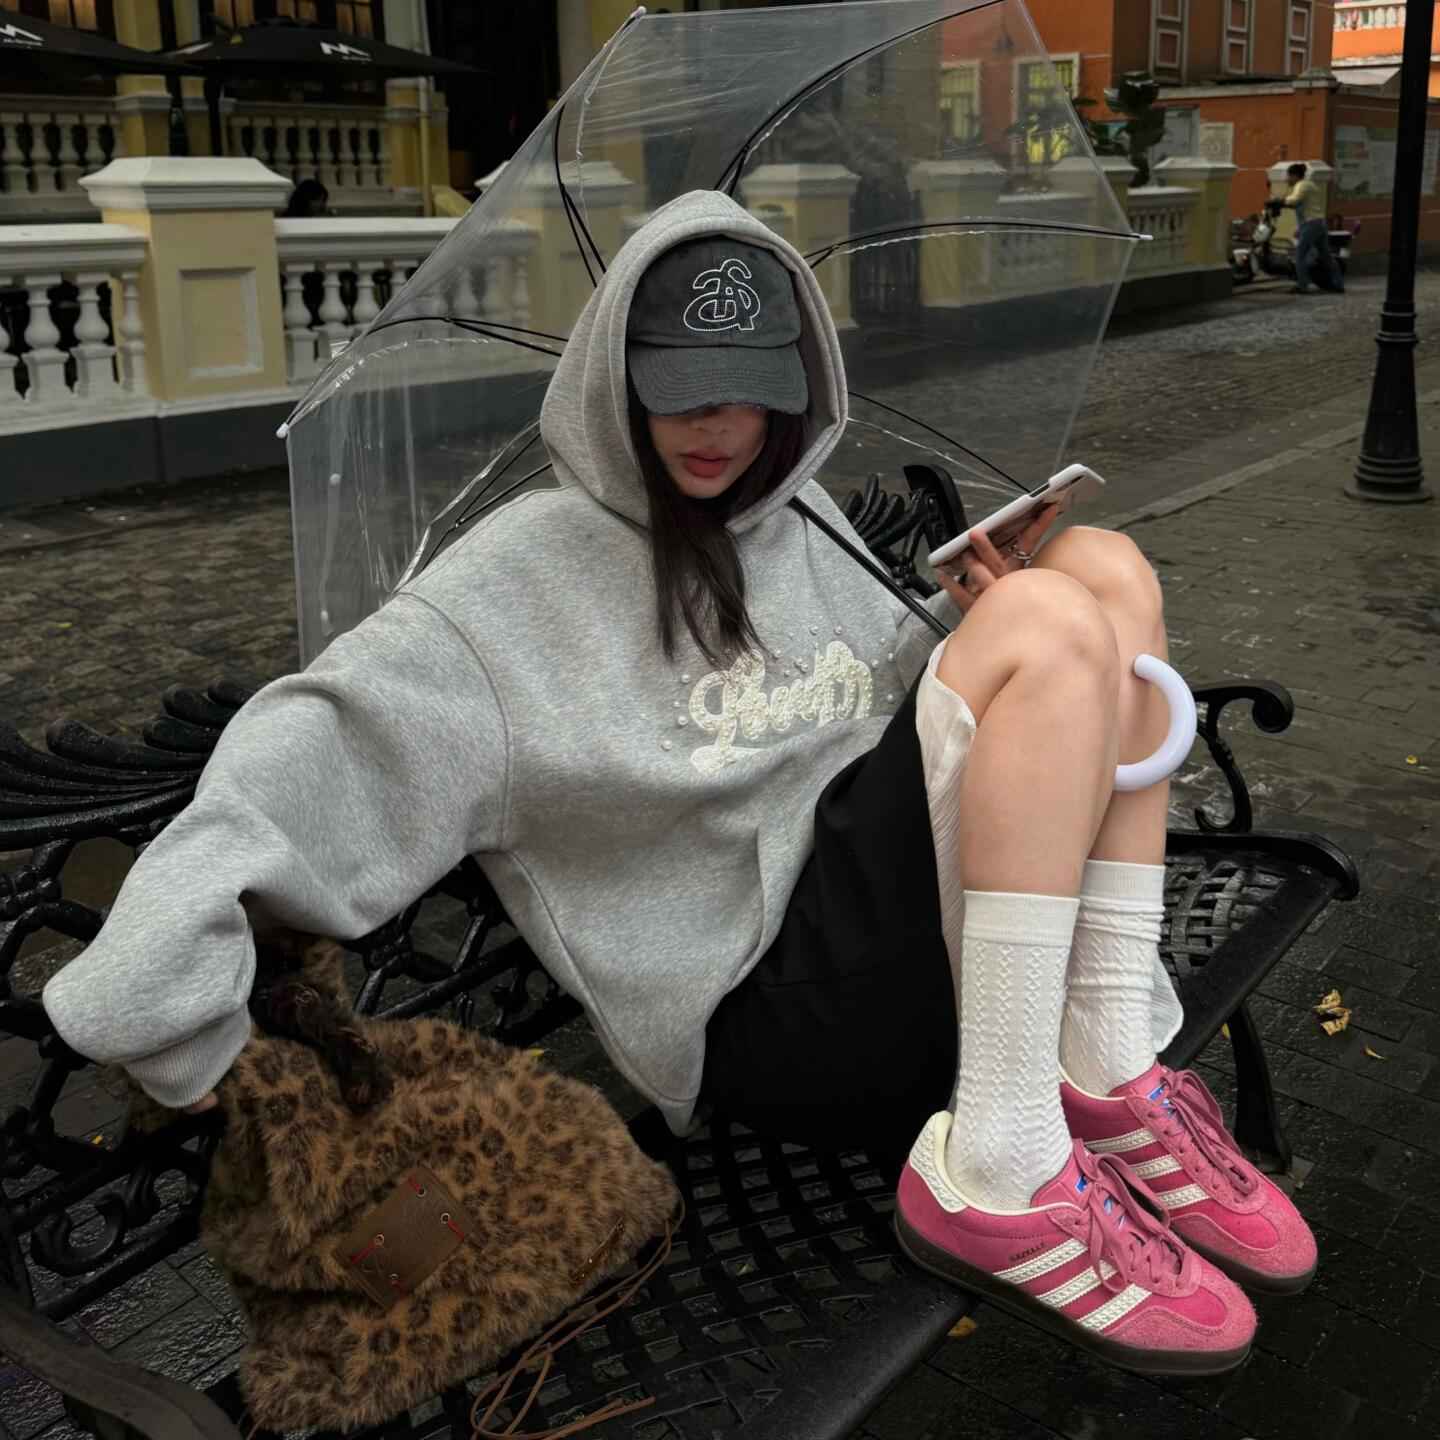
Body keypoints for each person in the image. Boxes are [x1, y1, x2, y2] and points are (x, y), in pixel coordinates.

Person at [40, 189, 1313, 1377]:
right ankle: (1003, 1163)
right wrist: (163, 1003)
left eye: (753, 395)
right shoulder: (508, 593)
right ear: (617, 380)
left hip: (900, 948)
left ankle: (1108, 1064)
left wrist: (968, 627)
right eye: (682, 392)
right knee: (1053, 616)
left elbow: (858, 711)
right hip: (767, 1012)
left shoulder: (793, 515)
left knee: (1101, 567)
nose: (719, 429)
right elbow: (303, 755)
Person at [1280, 162, 1343, 295]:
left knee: (1300, 255)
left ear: (1295, 175)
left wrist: (1280, 201)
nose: (1287, 179)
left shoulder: (1301, 185)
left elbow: (1295, 200)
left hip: (1310, 224)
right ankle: (1338, 284)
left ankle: (1302, 285)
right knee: (1326, 256)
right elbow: (1303, 205)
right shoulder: (1310, 185)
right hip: (1319, 223)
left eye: (1289, 176)